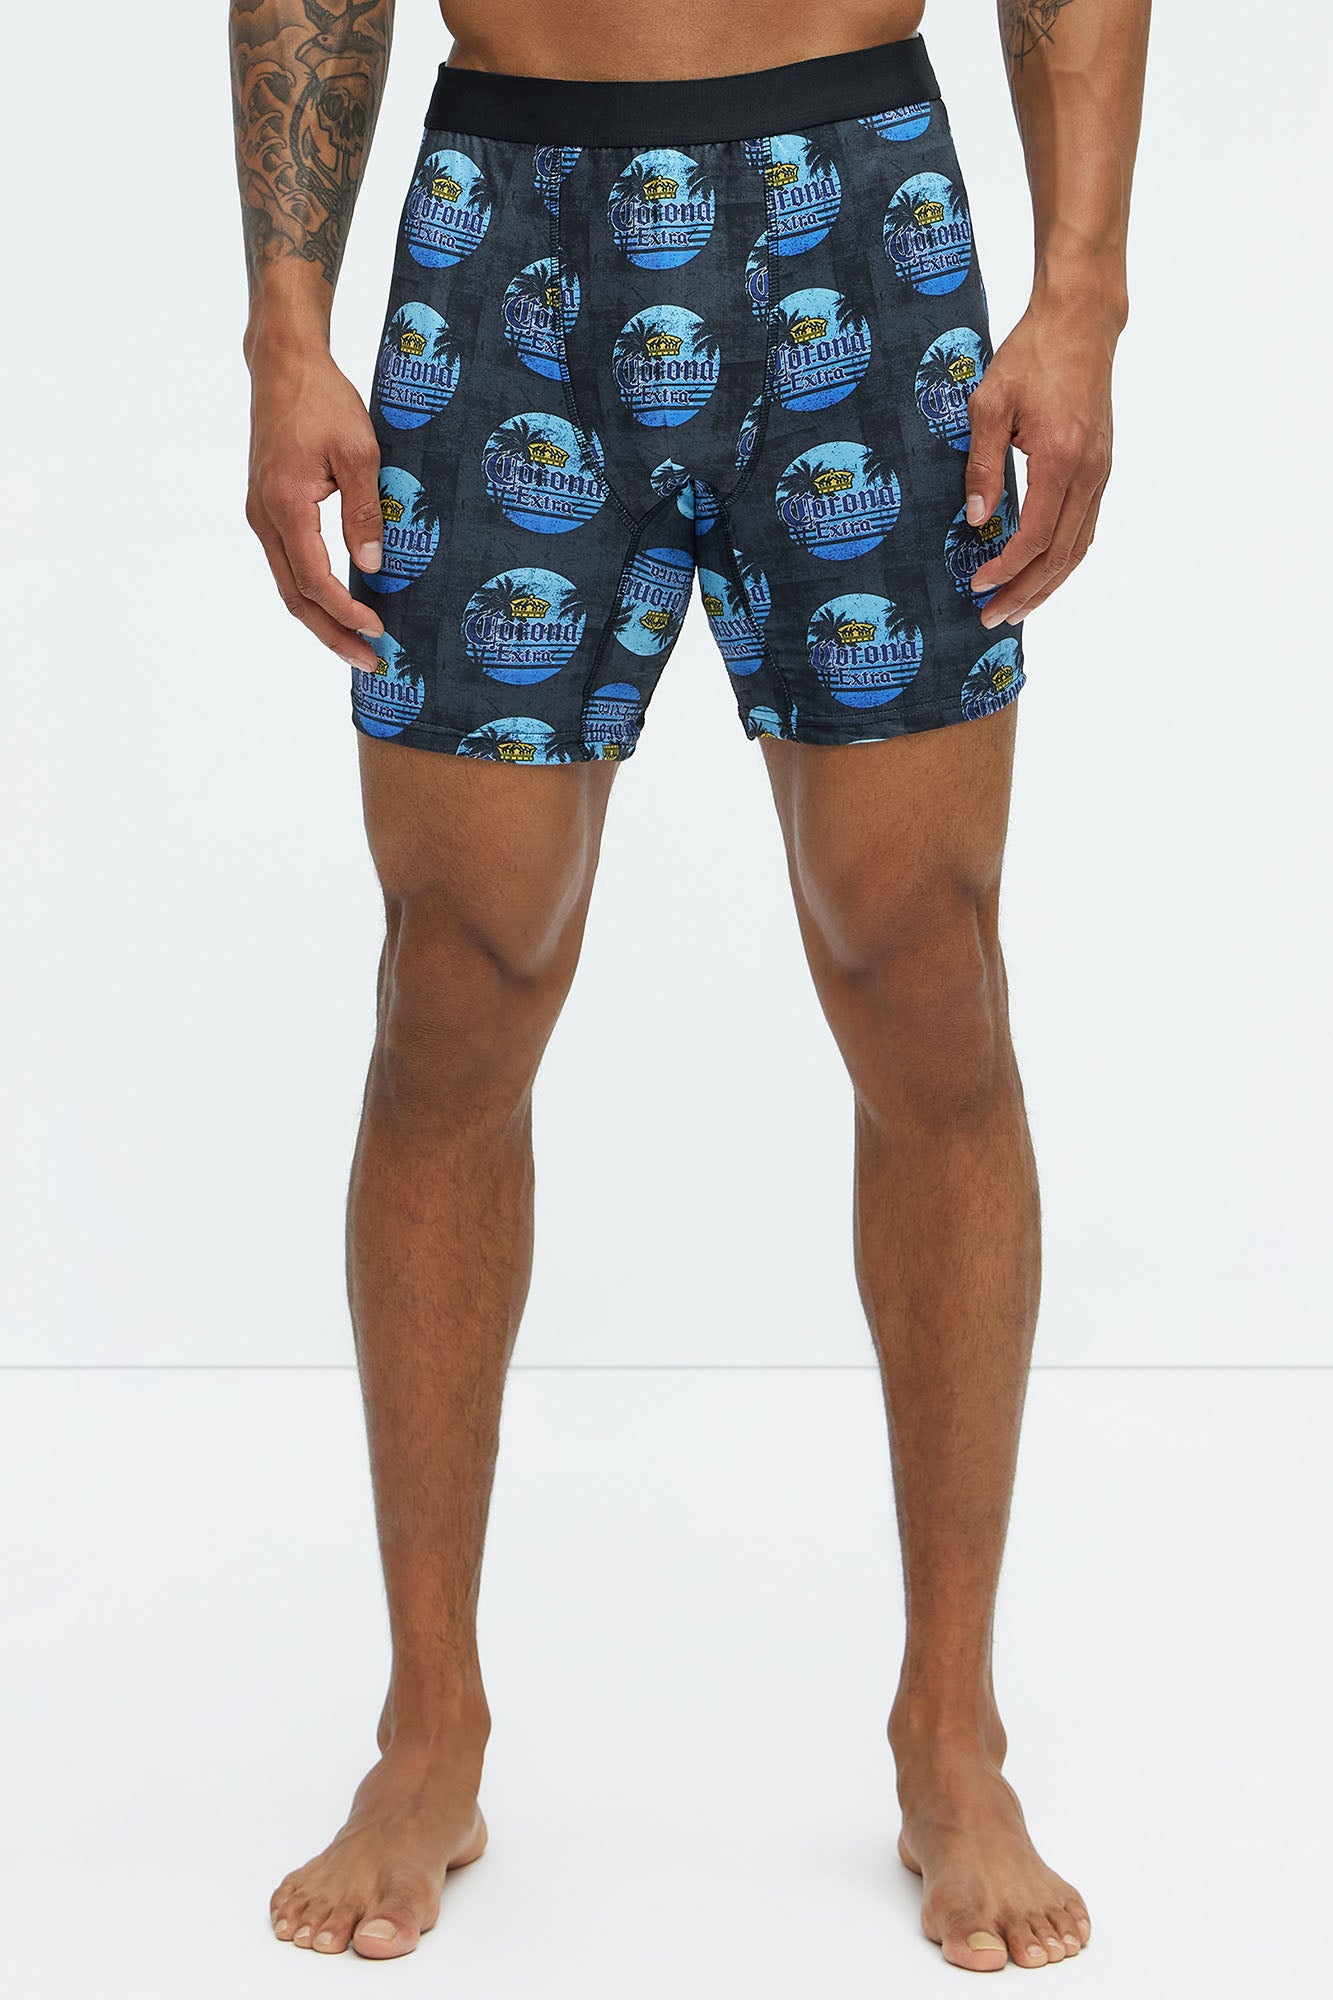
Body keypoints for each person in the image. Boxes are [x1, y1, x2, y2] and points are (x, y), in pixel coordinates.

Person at [231, 0, 1149, 1969]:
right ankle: (429, 1726)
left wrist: (1081, 287)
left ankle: (951, 1731)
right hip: (504, 237)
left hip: (861, 221)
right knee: (455, 984)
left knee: (924, 976)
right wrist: (282, 324)